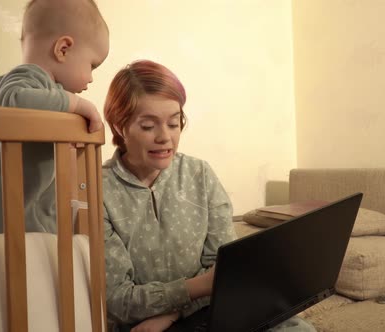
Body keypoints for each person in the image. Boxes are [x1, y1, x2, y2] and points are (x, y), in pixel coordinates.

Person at [102, 60, 317, 332]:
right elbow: (117, 300)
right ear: (120, 127)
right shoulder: (99, 191)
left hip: (205, 311)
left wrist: (174, 313)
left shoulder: (198, 174)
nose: (165, 137)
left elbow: (223, 271)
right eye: (148, 126)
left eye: (174, 122)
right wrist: (200, 286)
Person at [0, 0, 109, 235]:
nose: (91, 78)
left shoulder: (44, 93)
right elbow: (14, 99)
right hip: (0, 220)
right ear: (63, 49)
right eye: (92, 65)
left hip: (8, 217)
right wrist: (76, 103)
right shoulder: (27, 77)